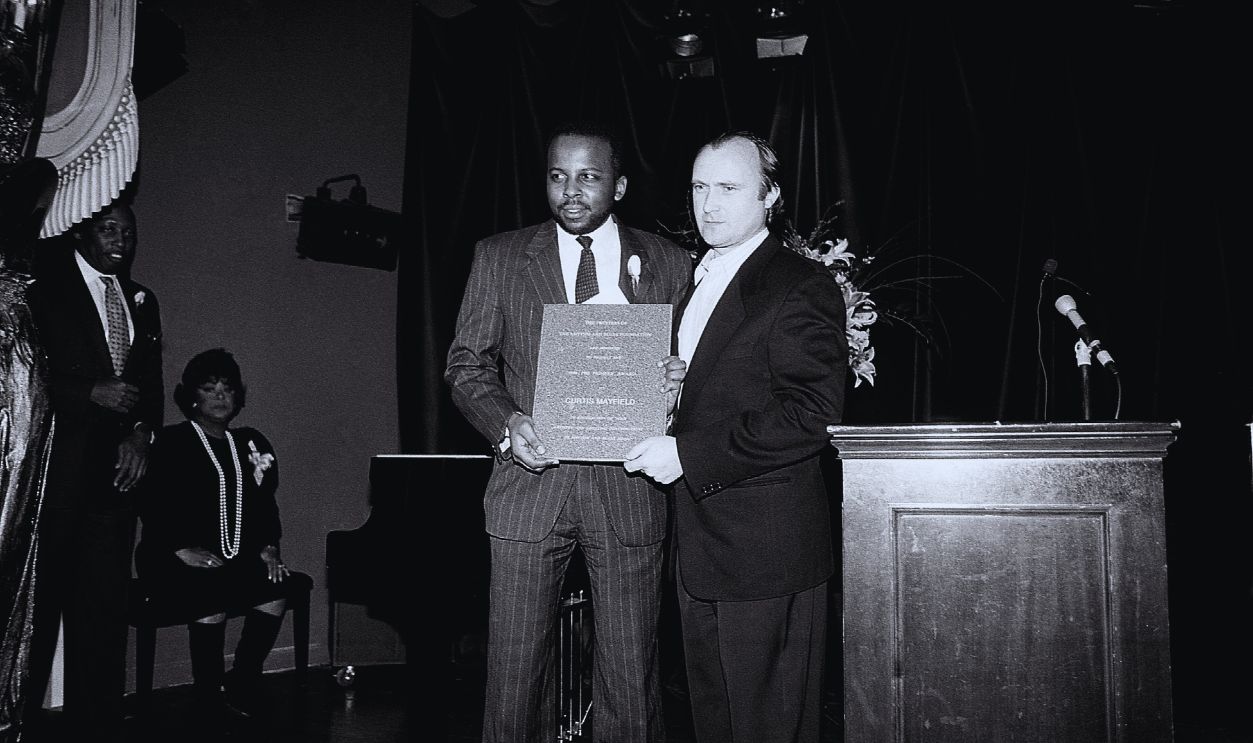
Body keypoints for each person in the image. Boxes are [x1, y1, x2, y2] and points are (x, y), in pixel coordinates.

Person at [444, 121, 691, 742]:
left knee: (631, 680)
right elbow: (465, 365)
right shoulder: (499, 256)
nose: (571, 191)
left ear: (621, 184)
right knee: (514, 677)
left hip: (630, 491)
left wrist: (680, 380)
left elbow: (695, 369)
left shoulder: (668, 262)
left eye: (589, 176)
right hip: (529, 489)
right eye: (558, 176)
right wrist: (508, 423)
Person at [625, 132, 848, 742]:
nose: (709, 203)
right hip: (703, 551)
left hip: (766, 554)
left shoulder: (798, 283)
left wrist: (686, 452)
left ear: (770, 196)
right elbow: (722, 391)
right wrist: (671, 392)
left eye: (729, 187)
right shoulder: (694, 283)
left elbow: (812, 411)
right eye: (700, 187)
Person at [25, 200, 164, 741]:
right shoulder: (45, 292)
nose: (121, 241)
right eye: (109, 229)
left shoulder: (142, 301)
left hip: (116, 485)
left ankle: (98, 724)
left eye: (129, 232)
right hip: (57, 482)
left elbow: (149, 387)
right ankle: (19, 723)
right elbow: (24, 376)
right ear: (81, 233)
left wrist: (141, 435)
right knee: (39, 611)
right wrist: (88, 392)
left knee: (103, 615)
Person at [135, 348, 290, 720]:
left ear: (238, 396)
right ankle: (208, 692)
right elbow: (151, 502)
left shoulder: (250, 443)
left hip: (233, 553)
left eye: (227, 389)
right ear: (192, 396)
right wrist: (179, 548)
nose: (220, 396)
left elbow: (264, 504)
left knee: (276, 588)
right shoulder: (172, 442)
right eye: (209, 388)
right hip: (170, 557)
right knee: (209, 589)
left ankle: (243, 679)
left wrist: (269, 547)